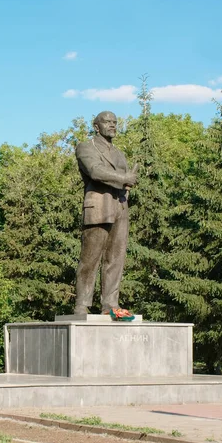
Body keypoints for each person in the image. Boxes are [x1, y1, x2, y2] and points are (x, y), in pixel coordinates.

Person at [73, 111, 138, 315]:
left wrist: (127, 184)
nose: (112, 125)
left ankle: (110, 304)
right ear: (96, 126)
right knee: (90, 259)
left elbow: (125, 181)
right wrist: (124, 178)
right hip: (98, 208)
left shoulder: (119, 153)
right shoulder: (86, 147)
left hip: (120, 208)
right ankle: (82, 304)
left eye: (115, 122)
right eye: (107, 122)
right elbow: (95, 170)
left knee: (115, 259)